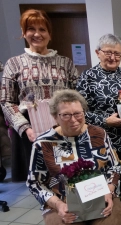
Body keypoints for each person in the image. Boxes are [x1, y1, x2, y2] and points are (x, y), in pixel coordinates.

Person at [0, 9, 79, 181]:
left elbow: (76, 96)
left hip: (62, 128)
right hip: (31, 132)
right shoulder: (13, 64)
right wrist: (25, 128)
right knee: (41, 180)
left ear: (49, 33)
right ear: (23, 32)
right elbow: (6, 101)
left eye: (42, 29)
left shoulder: (65, 63)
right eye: (31, 29)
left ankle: (70, 207)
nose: (37, 34)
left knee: (67, 176)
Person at [26, 89, 121, 225]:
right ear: (55, 116)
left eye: (78, 113)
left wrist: (110, 191)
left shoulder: (99, 134)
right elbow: (34, 183)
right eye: (66, 115)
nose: (74, 120)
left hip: (101, 197)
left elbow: (115, 167)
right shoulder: (43, 143)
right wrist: (58, 204)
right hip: (62, 201)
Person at [77, 33, 121, 162]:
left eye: (117, 54)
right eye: (108, 53)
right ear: (98, 52)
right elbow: (80, 112)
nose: (113, 58)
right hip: (102, 141)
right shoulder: (88, 77)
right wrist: (105, 121)